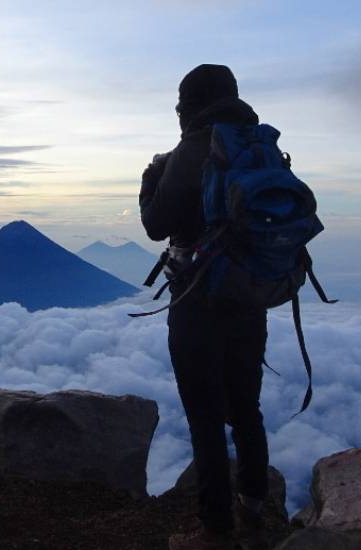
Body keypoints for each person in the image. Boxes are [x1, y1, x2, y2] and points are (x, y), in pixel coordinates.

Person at [139, 64, 270, 550]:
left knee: (206, 415)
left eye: (180, 105)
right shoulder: (258, 145)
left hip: (197, 299)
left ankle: (215, 531)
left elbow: (157, 223)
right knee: (246, 408)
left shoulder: (192, 148)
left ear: (190, 105)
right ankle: (254, 511)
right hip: (250, 297)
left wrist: (151, 178)